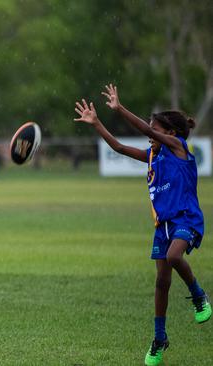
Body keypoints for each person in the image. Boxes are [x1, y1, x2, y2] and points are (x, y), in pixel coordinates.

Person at [74, 85, 211, 366]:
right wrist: (97, 123)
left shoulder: (178, 148)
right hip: (162, 226)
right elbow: (119, 147)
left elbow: (148, 133)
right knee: (161, 282)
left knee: (174, 257)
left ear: (170, 133)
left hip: (186, 218)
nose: (151, 134)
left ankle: (198, 295)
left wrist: (120, 109)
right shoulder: (153, 157)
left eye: (155, 129)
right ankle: (159, 338)